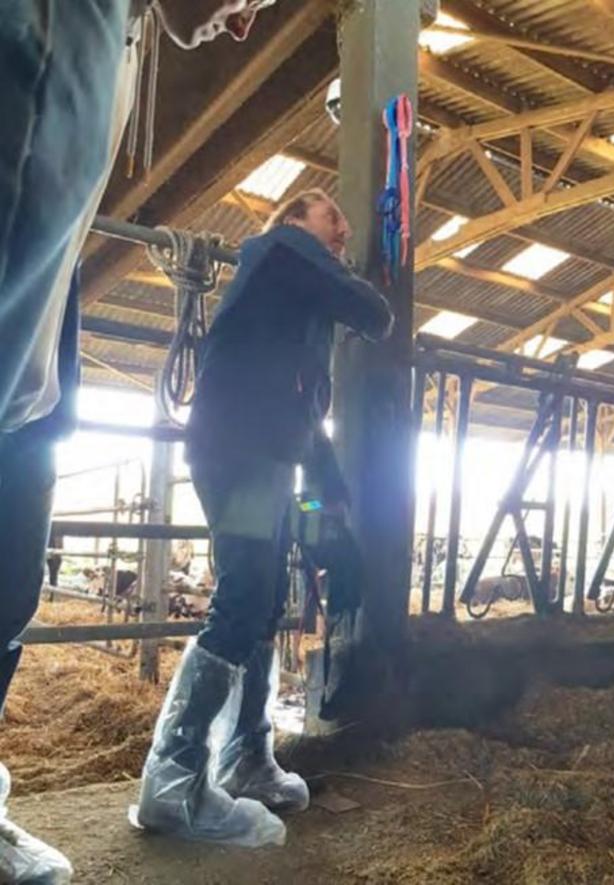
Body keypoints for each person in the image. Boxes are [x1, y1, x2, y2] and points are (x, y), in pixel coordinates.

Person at [0, 4, 271, 880]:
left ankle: (220, 761)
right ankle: (181, 774)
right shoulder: (290, 271)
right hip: (242, 469)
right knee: (249, 594)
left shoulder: (107, 31)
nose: (243, 20)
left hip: (40, 377)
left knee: (12, 572)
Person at [133, 189, 393, 846]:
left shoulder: (295, 317)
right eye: (333, 216)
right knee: (245, 594)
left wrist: (328, 510)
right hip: (243, 453)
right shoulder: (281, 249)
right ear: (295, 217)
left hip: (266, 460)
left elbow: (309, 426)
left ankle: (245, 757)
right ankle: (174, 775)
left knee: (266, 596)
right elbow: (375, 312)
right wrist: (366, 275)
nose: (342, 230)